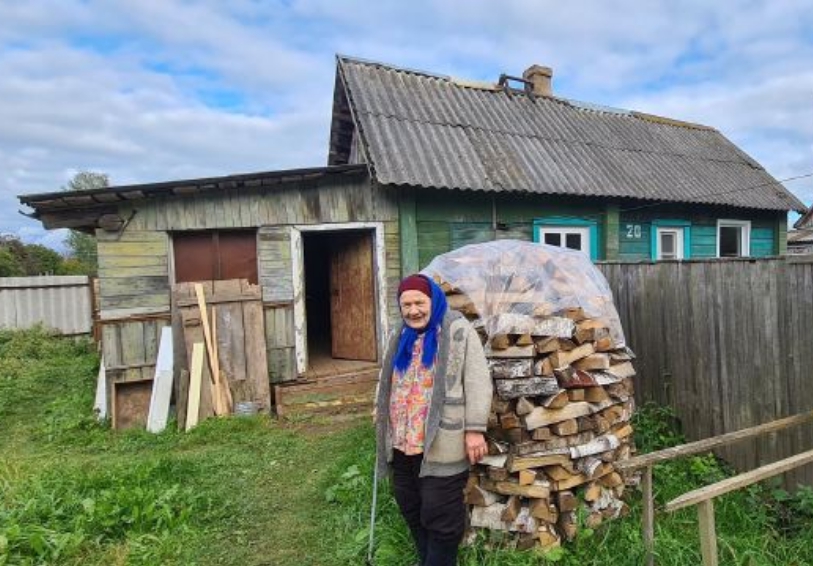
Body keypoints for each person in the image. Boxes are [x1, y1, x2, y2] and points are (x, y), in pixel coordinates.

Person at [375, 273, 493, 566]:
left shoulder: (456, 330)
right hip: (402, 440)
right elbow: (387, 377)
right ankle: (427, 559)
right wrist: (378, 406)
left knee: (441, 514)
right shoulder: (398, 334)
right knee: (411, 507)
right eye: (406, 304)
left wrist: (475, 429)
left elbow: (478, 380)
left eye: (419, 302)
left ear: (433, 301)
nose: (413, 310)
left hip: (443, 440)